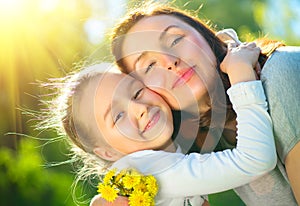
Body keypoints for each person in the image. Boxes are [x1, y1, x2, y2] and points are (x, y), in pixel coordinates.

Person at [110, 3, 300, 205]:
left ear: (206, 36)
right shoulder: (203, 139)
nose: (169, 61)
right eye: (149, 65)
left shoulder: (279, 74)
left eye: (175, 40)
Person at [50, 41, 276, 205]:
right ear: (107, 152)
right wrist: (241, 76)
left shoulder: (161, 158)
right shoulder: (148, 169)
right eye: (118, 116)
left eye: (137, 92)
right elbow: (255, 160)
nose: (139, 109)